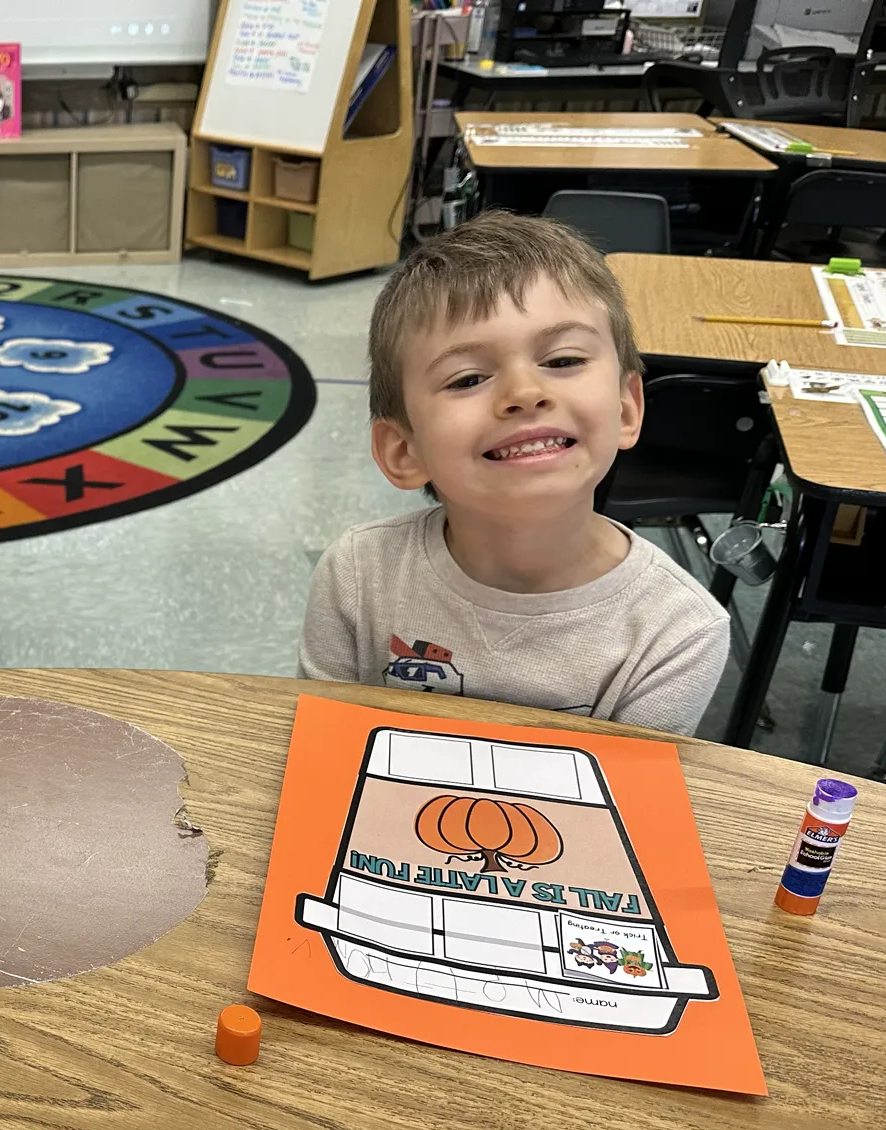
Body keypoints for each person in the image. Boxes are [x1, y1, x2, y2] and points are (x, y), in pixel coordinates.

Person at [297, 211, 730, 736]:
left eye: (564, 360)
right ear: (403, 451)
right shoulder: (357, 574)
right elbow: (325, 749)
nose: (525, 393)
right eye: (469, 378)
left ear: (626, 408)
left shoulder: (678, 631)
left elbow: (619, 808)